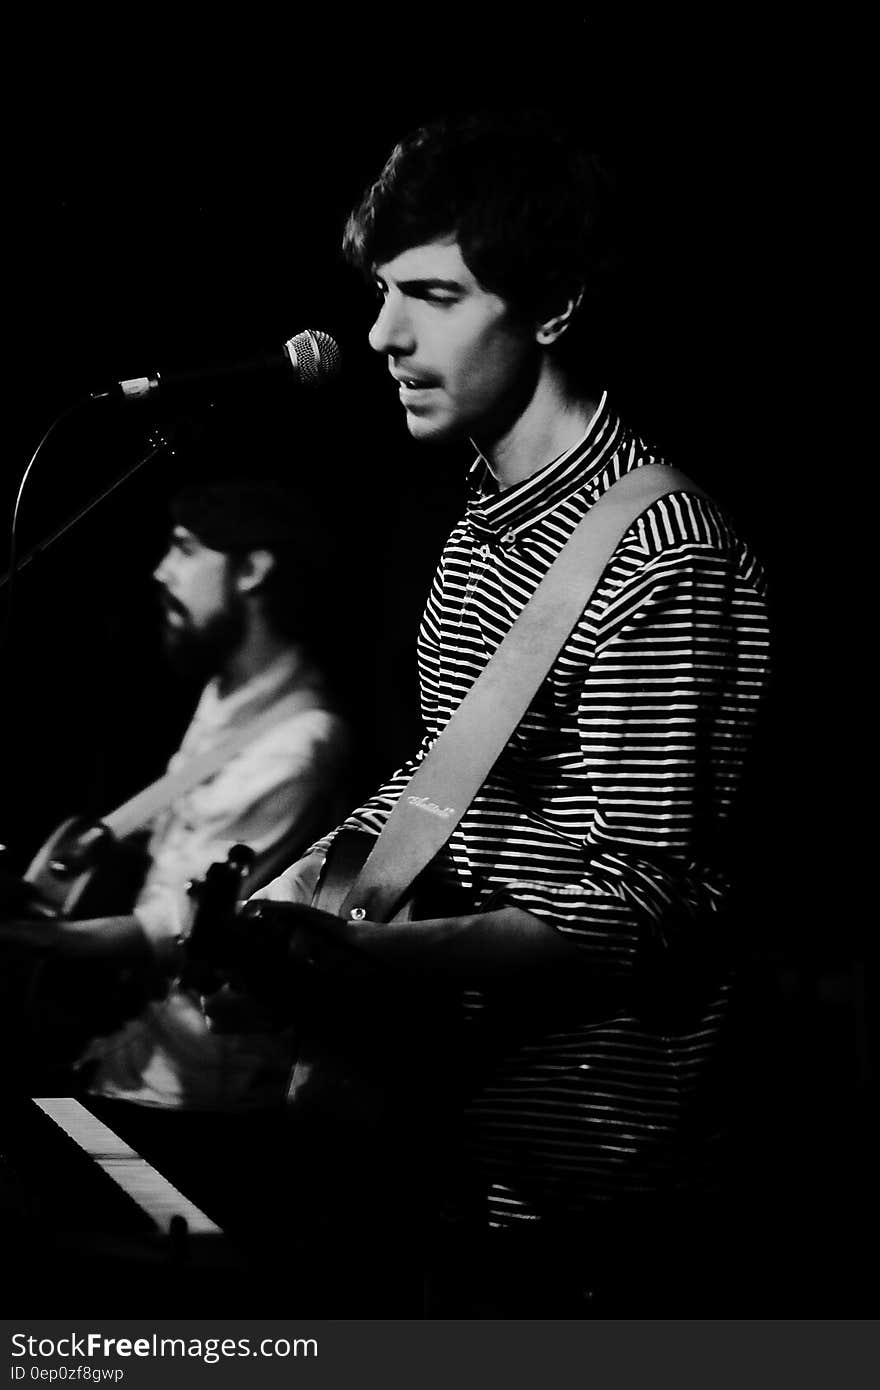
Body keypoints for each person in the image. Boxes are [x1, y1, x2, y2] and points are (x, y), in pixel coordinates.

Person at [247, 109, 772, 1315]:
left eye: (431, 294)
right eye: (382, 291)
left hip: (590, 1183)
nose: (380, 333)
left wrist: (392, 958)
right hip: (450, 1144)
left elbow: (646, 900)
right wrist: (298, 899)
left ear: (550, 307)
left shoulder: (655, 553)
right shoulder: (480, 524)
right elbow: (439, 791)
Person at [8, 477, 351, 1264]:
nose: (162, 569)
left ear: (253, 569)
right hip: (131, 1066)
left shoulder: (300, 742)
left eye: (187, 548)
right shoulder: (229, 698)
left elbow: (170, 935)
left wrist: (30, 940)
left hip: (194, 1122)